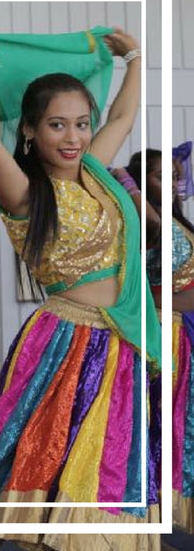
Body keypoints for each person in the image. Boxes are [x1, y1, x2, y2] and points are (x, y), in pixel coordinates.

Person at [0, 27, 161, 550]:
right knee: (55, 470)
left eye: (81, 125)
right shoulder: (24, 191)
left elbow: (124, 118)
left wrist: (135, 57)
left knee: (106, 469)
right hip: (64, 344)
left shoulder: (94, 172)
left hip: (120, 341)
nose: (73, 137)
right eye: (57, 125)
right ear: (30, 132)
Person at [123, 148, 193, 535]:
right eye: (160, 176)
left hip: (185, 332)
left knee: (181, 433)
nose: (171, 184)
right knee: (155, 431)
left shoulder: (175, 220)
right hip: (162, 334)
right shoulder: (142, 222)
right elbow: (157, 234)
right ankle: (144, 529)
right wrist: (131, 189)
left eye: (175, 176)